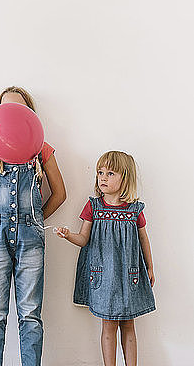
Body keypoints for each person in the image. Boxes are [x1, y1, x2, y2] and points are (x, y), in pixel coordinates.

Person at [0, 86, 66, 366]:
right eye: (6, 109)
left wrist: (36, 218)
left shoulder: (41, 149)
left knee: (30, 314)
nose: (12, 116)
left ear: (30, 115)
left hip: (31, 239)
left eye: (19, 109)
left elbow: (60, 194)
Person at [56, 151, 155, 366]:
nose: (102, 178)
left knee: (128, 324)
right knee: (108, 325)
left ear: (125, 178)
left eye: (110, 173)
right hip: (103, 276)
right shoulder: (93, 207)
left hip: (129, 275)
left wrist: (150, 268)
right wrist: (68, 235)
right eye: (100, 172)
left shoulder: (134, 210)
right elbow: (84, 239)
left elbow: (144, 240)